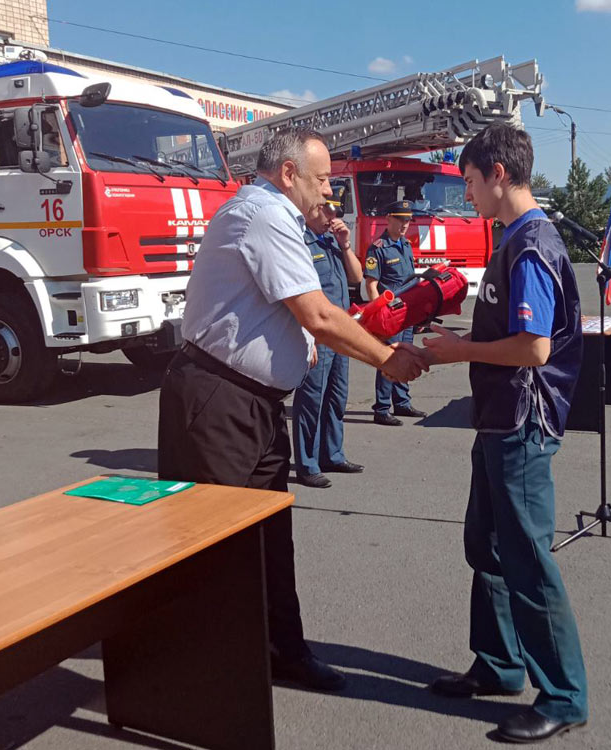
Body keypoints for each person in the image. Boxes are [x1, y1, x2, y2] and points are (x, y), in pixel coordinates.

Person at [158, 127, 426, 692]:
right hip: (218, 400)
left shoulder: (281, 219)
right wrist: (386, 360)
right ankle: (202, 680)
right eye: (323, 178)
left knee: (269, 538)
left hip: (251, 404)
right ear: (287, 174)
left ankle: (282, 651)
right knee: (212, 546)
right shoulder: (265, 215)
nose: (328, 191)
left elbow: (314, 313)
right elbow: (320, 316)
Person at [422, 123, 588, 743]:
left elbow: (534, 348)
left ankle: (565, 696)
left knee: (526, 557)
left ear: (497, 173)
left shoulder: (530, 243)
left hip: (522, 422)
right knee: (486, 547)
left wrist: (453, 350)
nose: (467, 194)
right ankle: (498, 664)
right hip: (496, 418)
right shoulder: (512, 238)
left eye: (468, 181)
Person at [292, 188, 365, 489]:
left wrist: (346, 245)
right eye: (327, 210)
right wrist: (306, 338)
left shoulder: (331, 242)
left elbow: (357, 278)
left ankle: (331, 454)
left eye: (336, 212)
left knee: (336, 396)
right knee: (312, 398)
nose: (332, 217)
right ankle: (307, 463)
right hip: (318, 335)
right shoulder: (301, 243)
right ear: (313, 209)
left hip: (340, 332)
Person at [363, 200, 428, 426]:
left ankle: (401, 402)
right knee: (389, 358)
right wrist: (378, 316)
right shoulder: (378, 248)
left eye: (408, 220)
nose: (404, 225)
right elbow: (371, 284)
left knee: (406, 355)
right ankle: (381, 408)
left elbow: (411, 282)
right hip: (390, 314)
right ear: (388, 218)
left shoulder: (406, 245)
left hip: (408, 313)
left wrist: (419, 313)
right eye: (400, 219)